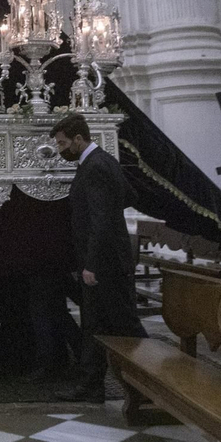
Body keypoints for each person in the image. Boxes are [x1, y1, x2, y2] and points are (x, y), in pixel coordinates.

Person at [50, 112, 144, 402]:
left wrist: (91, 264)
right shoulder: (102, 161)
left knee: (122, 324)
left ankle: (156, 379)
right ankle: (92, 384)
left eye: (63, 143)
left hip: (105, 263)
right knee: (97, 323)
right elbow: (129, 196)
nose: (60, 149)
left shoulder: (95, 166)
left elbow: (100, 219)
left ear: (79, 138)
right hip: (108, 258)